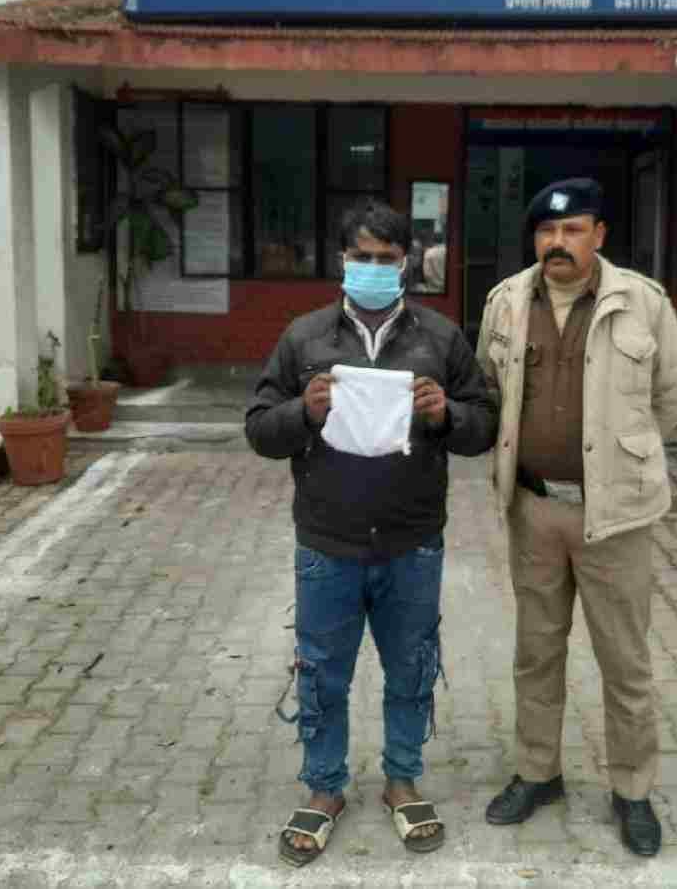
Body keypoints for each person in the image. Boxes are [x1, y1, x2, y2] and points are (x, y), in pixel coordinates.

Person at [246, 199, 498, 867]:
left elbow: (485, 426)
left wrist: (448, 416)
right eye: (363, 257)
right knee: (321, 672)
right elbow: (259, 429)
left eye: (388, 258)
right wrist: (304, 411)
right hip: (326, 543)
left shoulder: (441, 339)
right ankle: (324, 787)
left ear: (406, 262)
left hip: (412, 542)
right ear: (343, 260)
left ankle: (402, 780)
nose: (375, 268)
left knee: (411, 668)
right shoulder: (305, 338)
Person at [476, 177, 677, 857]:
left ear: (599, 235)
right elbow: (489, 386)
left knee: (624, 660)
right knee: (536, 652)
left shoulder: (643, 303)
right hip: (534, 509)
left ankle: (632, 789)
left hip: (617, 517)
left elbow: (672, 398)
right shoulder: (506, 301)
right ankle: (538, 773)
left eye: (573, 230)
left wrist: (619, 461)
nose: (558, 242)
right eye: (547, 231)